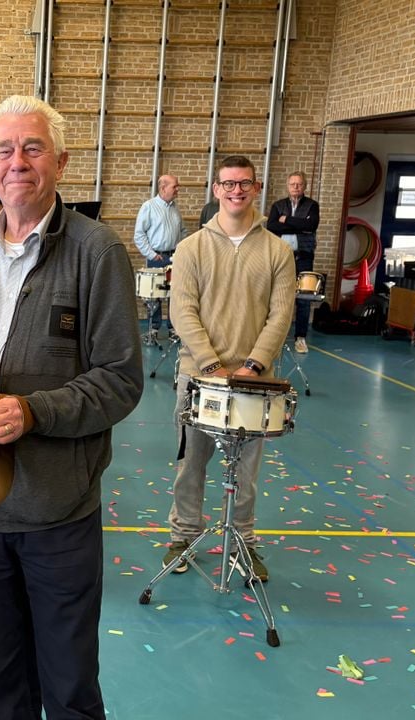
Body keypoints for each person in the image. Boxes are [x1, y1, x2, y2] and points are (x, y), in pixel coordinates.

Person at [0, 95, 144, 720]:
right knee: (3, 682)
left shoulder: (97, 253)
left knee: (69, 688)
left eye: (33, 148)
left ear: (59, 162)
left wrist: (35, 412)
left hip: (55, 513)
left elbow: (120, 379)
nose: (18, 162)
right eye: (5, 150)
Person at [166, 155, 296, 583]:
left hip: (255, 382)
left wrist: (254, 365)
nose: (236, 191)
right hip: (199, 377)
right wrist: (211, 364)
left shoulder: (278, 251)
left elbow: (281, 314)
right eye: (228, 184)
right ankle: (183, 536)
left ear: (256, 188)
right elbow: (182, 310)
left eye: (244, 184)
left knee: (246, 472)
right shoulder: (191, 248)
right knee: (191, 464)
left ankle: (244, 541)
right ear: (216, 189)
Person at [266, 170, 320, 353]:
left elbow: (311, 225)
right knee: (277, 295)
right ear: (287, 186)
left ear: (304, 186)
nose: (296, 187)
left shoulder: (312, 205)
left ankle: (300, 338)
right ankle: (275, 336)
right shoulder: (278, 205)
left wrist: (287, 220)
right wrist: (299, 224)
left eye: (299, 184)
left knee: (304, 298)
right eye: (292, 184)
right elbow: (272, 226)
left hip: (303, 257)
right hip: (281, 258)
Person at [133, 174, 184, 336]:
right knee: (155, 296)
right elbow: (139, 235)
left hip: (173, 258)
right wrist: (152, 255)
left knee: (173, 294)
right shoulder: (148, 207)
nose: (177, 189)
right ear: (163, 188)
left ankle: (172, 328)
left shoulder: (175, 208)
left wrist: (182, 250)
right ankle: (154, 328)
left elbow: (183, 231)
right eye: (174, 186)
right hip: (157, 259)